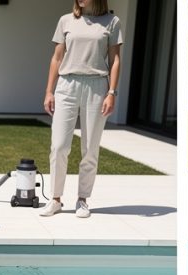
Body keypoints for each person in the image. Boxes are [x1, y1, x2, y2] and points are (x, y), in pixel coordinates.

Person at [39, 0, 123, 219]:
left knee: (90, 147)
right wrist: (49, 91)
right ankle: (55, 199)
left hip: (97, 86)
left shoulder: (112, 22)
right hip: (66, 85)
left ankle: (82, 199)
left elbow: (115, 60)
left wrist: (111, 92)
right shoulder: (66, 20)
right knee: (58, 146)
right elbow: (57, 58)